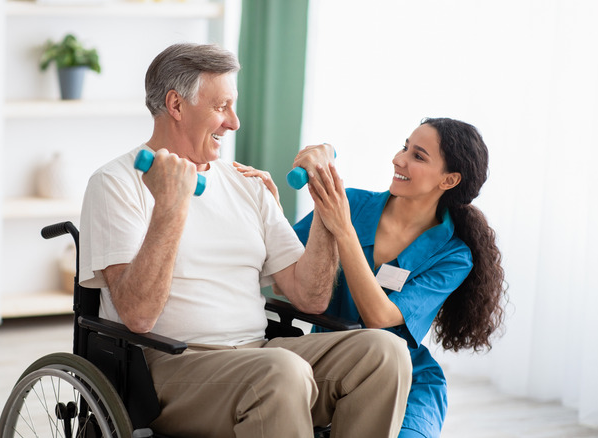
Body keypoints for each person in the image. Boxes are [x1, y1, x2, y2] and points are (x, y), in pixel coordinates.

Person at [78, 42, 412, 438]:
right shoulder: (116, 182)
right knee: (281, 373)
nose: (234, 123)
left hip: (261, 354)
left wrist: (325, 205)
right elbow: (137, 315)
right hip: (169, 369)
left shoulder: (245, 184)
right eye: (221, 107)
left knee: (385, 352)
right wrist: (170, 208)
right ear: (177, 105)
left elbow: (310, 297)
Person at [236, 117, 506, 437]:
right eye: (405, 147)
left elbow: (379, 318)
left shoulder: (453, 255)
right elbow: (287, 277)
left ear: (448, 180)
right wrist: (273, 208)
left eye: (418, 156)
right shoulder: (352, 203)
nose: (399, 159)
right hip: (330, 364)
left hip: (406, 378)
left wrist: (343, 228)